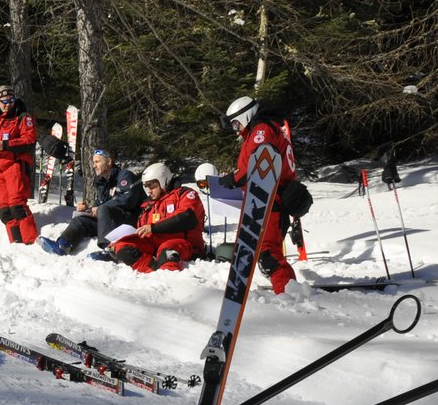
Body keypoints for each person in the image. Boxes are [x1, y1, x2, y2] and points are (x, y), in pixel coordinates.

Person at [223, 95, 299, 294]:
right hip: (264, 200)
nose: (236, 129)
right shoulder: (264, 129)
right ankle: (285, 287)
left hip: (270, 201)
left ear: (246, 116)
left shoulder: (262, 130)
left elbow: (259, 162)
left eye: (236, 124)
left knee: (267, 252)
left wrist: (234, 178)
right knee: (261, 251)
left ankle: (288, 291)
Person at [39, 148, 143, 255]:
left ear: (109, 162)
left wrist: (100, 208)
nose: (94, 166)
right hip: (109, 222)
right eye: (93, 162)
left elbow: (128, 199)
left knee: (103, 209)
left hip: (129, 222)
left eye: (97, 162)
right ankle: (63, 245)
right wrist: (88, 210)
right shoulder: (103, 183)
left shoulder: (125, 176)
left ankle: (109, 251)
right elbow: (99, 204)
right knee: (81, 220)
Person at [109, 163, 208, 272]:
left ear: (163, 180)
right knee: (122, 246)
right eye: (146, 186)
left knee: (167, 250)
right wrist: (119, 241)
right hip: (154, 245)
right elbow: (142, 231)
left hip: (183, 244)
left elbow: (187, 217)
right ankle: (152, 270)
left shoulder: (184, 194)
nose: (149, 190)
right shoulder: (148, 205)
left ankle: (169, 276)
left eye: (152, 185)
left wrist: (153, 227)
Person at [0, 84, 39, 244]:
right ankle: (16, 243)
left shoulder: (23, 117)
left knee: (17, 206)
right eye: (3, 101)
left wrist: (5, 144)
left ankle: (31, 241)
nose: (7, 104)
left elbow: (30, 141)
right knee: (4, 211)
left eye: (10, 100)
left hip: (15, 166)